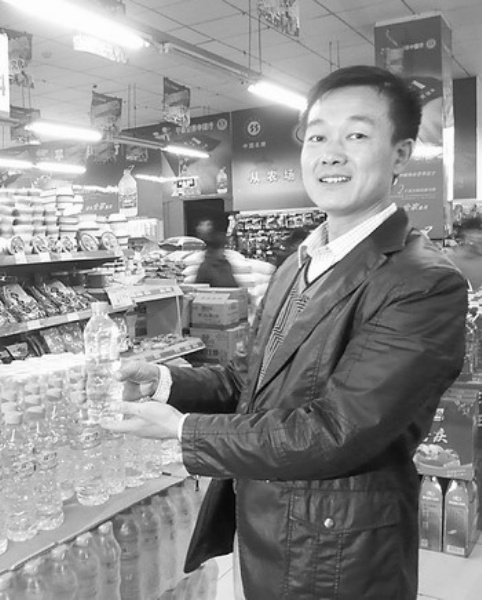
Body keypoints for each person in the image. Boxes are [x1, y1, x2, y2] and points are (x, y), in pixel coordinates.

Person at [104, 65, 468, 600]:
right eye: (317, 136)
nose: (330, 154)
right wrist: (165, 381)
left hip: (338, 553)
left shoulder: (423, 282)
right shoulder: (300, 262)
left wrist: (183, 432)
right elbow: (250, 380)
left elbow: (337, 432)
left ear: (401, 154)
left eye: (357, 135)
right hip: (268, 527)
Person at [194, 216, 239, 288]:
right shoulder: (206, 268)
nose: (223, 252)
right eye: (221, 249)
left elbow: (233, 285)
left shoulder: (226, 265)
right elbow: (198, 288)